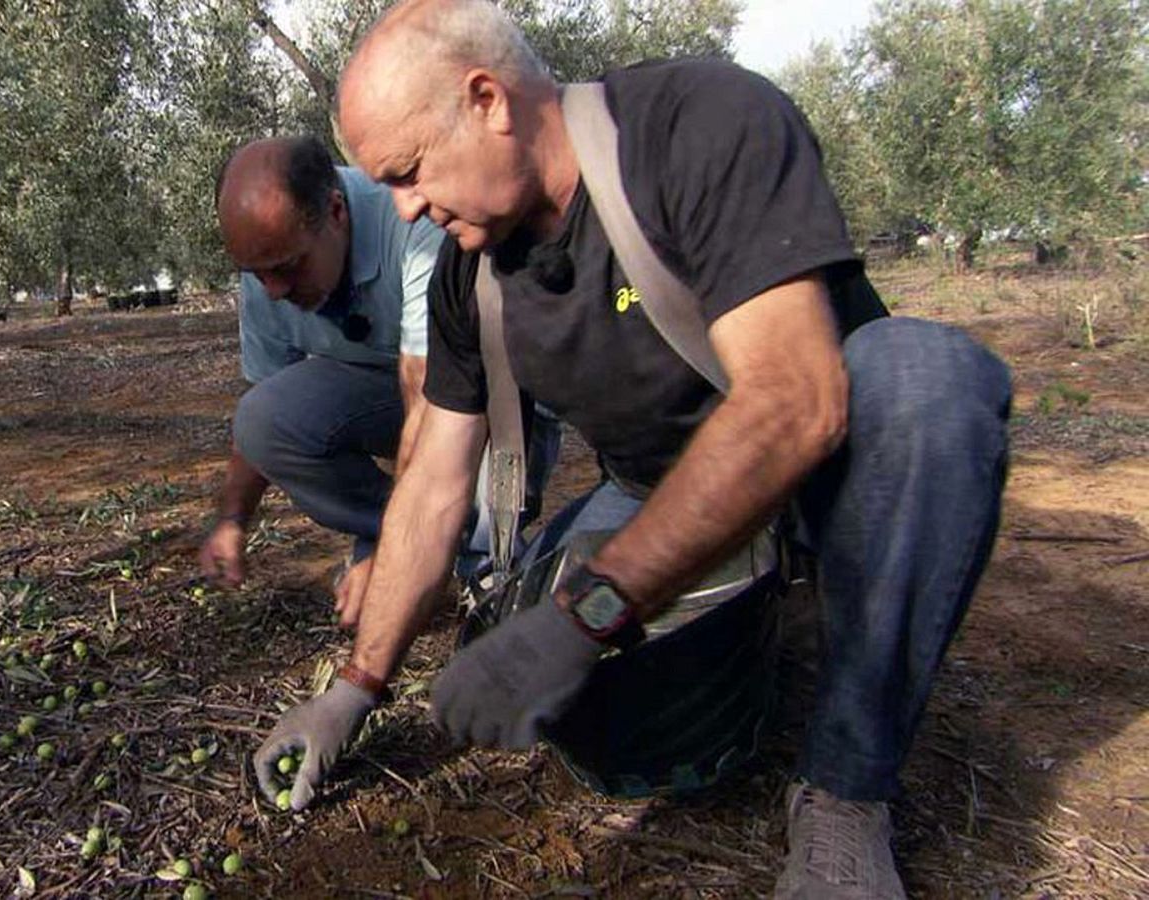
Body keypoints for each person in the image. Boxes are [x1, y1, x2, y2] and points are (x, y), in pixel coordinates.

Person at [249, 3, 1012, 899]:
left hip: (833, 460)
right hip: (660, 489)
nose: (407, 206)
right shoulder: (472, 273)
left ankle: (847, 791)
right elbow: (432, 486)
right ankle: (758, 608)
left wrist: (588, 616)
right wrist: (355, 688)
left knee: (929, 385)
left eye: (410, 173)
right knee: (618, 728)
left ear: (488, 99)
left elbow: (794, 402)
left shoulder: (696, 125)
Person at [201, 135, 553, 626]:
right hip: (391, 392)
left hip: (491, 394)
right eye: (255, 273)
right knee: (262, 419)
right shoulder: (269, 267)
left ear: (336, 211)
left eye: (287, 268)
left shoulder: (410, 222)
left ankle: (482, 569)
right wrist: (233, 519)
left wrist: (395, 554)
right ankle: (395, 527)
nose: (273, 291)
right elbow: (259, 409)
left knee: (485, 553)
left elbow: (429, 399)